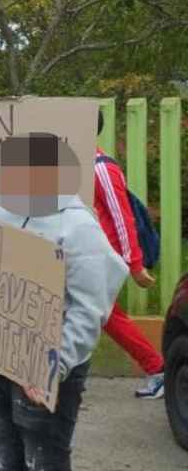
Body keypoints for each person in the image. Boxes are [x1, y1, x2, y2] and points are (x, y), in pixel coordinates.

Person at [0, 133, 127, 471]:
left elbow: (89, 308)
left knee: (44, 467)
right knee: (1, 459)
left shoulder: (79, 228)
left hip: (50, 370)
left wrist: (54, 365)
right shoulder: (0, 216)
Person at [93, 110, 164, 399]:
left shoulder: (101, 169)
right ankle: (157, 368)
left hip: (103, 258)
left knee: (106, 315)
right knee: (100, 314)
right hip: (86, 256)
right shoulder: (76, 166)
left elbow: (123, 218)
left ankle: (158, 369)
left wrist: (135, 264)